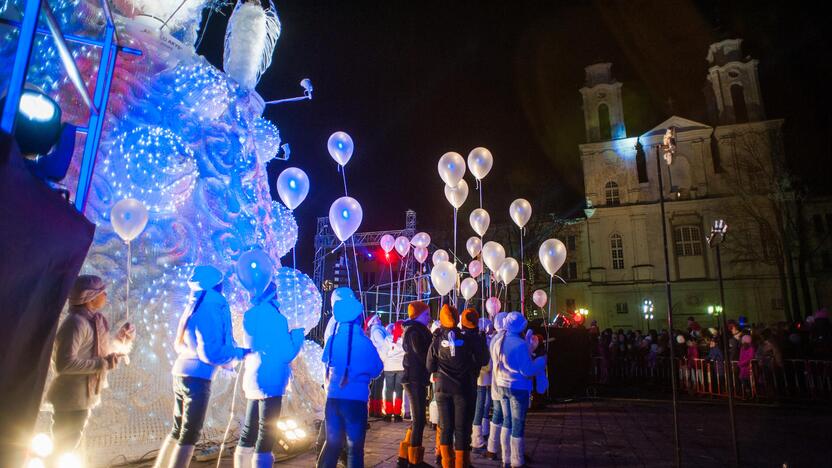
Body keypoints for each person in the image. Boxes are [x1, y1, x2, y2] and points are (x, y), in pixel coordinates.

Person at [155, 266, 248, 468]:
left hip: (181, 373)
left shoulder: (194, 304)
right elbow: (211, 352)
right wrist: (240, 353)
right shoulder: (212, 306)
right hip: (197, 377)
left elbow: (180, 343)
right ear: (216, 285)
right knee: (190, 433)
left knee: (179, 430)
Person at [47, 275, 134, 460]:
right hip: (71, 396)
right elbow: (64, 363)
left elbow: (98, 353)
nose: (106, 295)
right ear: (90, 297)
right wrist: (102, 364)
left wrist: (120, 338)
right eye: (102, 292)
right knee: (63, 446)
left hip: (81, 396)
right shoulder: (76, 323)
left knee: (68, 443)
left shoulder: (91, 321)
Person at [233, 282, 305, 467]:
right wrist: (296, 337)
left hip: (253, 376)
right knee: (267, 430)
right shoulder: (276, 318)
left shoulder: (249, 315)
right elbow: (286, 353)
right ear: (272, 295)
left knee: (249, 428)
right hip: (271, 379)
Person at [317, 291, 383, 468]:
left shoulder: (332, 340)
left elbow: (325, 361)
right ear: (357, 317)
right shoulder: (365, 343)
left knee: (332, 445)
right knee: (354, 448)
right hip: (355, 400)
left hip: (333, 399)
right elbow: (377, 369)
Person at [493, 312, 547, 468]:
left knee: (507, 422)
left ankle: (506, 457)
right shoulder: (519, 344)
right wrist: (540, 361)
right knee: (517, 424)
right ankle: (517, 460)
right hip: (517, 387)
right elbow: (527, 370)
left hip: (502, 385)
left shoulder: (499, 341)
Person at [427, 304, 478, 468]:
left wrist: (439, 371)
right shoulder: (467, 338)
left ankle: (446, 463)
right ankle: (460, 464)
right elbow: (476, 360)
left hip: (442, 388)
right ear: (457, 319)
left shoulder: (436, 339)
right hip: (461, 388)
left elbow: (429, 365)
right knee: (461, 428)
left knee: (445, 427)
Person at [397, 301, 433, 468]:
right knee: (419, 420)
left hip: (416, 378)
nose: (429, 318)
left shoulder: (417, 330)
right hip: (414, 379)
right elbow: (422, 354)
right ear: (417, 316)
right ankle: (414, 460)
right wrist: (433, 363)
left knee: (417, 420)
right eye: (426, 315)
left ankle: (405, 456)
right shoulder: (415, 332)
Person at [459, 309, 490, 455]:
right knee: (475, 410)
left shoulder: (459, 336)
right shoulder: (478, 339)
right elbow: (484, 360)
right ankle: (475, 440)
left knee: (462, 412)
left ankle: (460, 442)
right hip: (475, 379)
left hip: (460, 380)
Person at [485, 312, 508, 461]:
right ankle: (508, 454)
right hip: (503, 382)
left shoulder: (494, 339)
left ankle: (492, 448)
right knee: (508, 418)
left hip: (496, 382)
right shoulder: (503, 339)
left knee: (498, 415)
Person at [471, 317, 494, 454]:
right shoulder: (481, 341)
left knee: (485, 404)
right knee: (480, 406)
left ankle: (483, 431)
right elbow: (484, 360)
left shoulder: (488, 340)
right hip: (481, 376)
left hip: (486, 377)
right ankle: (476, 438)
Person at [365, 314, 389, 418]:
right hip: (380, 359)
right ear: (373, 321)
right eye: (377, 318)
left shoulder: (376, 330)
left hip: (376, 359)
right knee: (378, 386)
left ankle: (374, 409)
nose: (379, 319)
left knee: (376, 386)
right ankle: (377, 410)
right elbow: (383, 343)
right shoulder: (377, 330)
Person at [384, 320, 406, 422]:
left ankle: (388, 414)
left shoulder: (388, 339)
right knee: (398, 390)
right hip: (401, 367)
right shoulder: (405, 340)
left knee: (388, 390)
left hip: (389, 367)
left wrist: (384, 362)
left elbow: (383, 352)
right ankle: (397, 414)